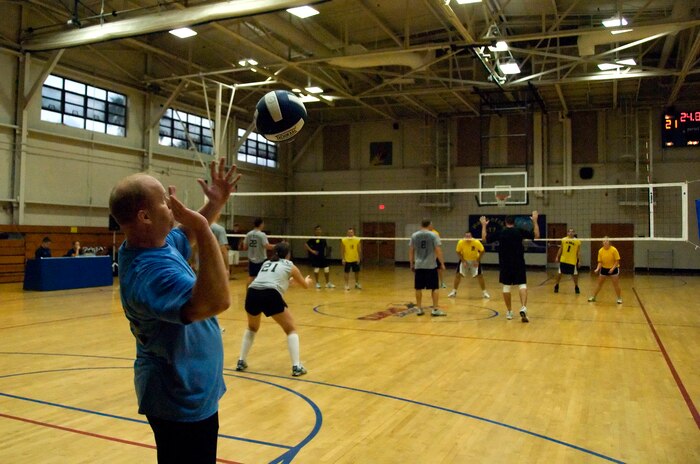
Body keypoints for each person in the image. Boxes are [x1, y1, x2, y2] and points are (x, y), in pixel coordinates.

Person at [109, 158, 240, 464]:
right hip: (178, 397)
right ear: (144, 216)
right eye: (165, 203)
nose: (173, 207)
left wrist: (214, 204)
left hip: (192, 390)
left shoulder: (157, 243)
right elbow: (215, 301)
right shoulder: (149, 272)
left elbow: (186, 236)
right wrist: (206, 227)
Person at [235, 241, 312, 377]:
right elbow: (305, 285)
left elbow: (268, 279)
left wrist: (288, 282)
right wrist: (307, 281)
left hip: (252, 292)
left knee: (252, 328)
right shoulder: (290, 266)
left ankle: (241, 360)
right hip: (270, 294)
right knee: (291, 329)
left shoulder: (266, 263)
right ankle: (296, 366)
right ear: (288, 254)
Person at [480, 212, 540, 323]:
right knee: (522, 285)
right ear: (514, 222)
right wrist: (535, 221)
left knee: (506, 287)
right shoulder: (519, 231)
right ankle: (523, 307)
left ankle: (509, 311)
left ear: (505, 222)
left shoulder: (501, 232)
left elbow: (484, 239)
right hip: (518, 262)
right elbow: (536, 235)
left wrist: (484, 225)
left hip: (505, 263)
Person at [409, 219, 446, 316]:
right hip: (431, 265)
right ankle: (435, 309)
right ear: (429, 225)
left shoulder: (414, 235)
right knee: (434, 288)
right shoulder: (434, 235)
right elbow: (438, 250)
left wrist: (411, 263)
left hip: (419, 265)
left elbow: (411, 250)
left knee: (418, 288)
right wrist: (442, 263)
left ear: (421, 225)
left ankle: (419, 309)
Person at [447, 231, 490, 299]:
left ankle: (484, 292)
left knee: (480, 276)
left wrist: (477, 261)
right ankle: (454, 292)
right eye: (466, 236)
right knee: (458, 275)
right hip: (465, 260)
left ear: (471, 236)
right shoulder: (461, 242)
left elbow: (482, 251)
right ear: (464, 237)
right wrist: (463, 261)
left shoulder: (476, 242)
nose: (467, 238)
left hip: (474, 260)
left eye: (469, 236)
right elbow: (458, 252)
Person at [588, 237, 622, 304]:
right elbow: (600, 262)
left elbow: (617, 261)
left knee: (616, 284)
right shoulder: (600, 251)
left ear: (609, 242)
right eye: (604, 241)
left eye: (607, 241)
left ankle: (619, 298)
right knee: (599, 284)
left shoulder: (614, 250)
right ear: (602, 243)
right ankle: (593, 297)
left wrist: (612, 269)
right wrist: (597, 269)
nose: (605, 242)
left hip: (613, 268)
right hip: (604, 268)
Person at [242, 218, 274, 286]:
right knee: (264, 277)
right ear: (261, 224)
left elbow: (244, 247)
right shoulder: (262, 235)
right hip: (261, 259)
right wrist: (278, 246)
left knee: (251, 277)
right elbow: (267, 246)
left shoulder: (248, 234)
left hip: (251, 260)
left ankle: (249, 293)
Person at [554, 228, 581, 294]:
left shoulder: (577, 241)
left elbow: (578, 252)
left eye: (572, 232)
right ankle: (556, 285)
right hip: (564, 259)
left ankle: (576, 287)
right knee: (559, 273)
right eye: (569, 232)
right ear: (567, 233)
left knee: (574, 275)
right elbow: (561, 249)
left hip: (572, 261)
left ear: (574, 233)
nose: (571, 233)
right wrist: (557, 257)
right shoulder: (563, 239)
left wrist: (579, 261)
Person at [428, 224, 447, 288]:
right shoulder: (424, 233)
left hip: (435, 254)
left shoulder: (435, 233)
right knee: (428, 270)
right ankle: (428, 283)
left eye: (430, 225)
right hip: (428, 255)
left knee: (439, 269)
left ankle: (442, 283)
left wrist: (436, 255)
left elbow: (437, 245)